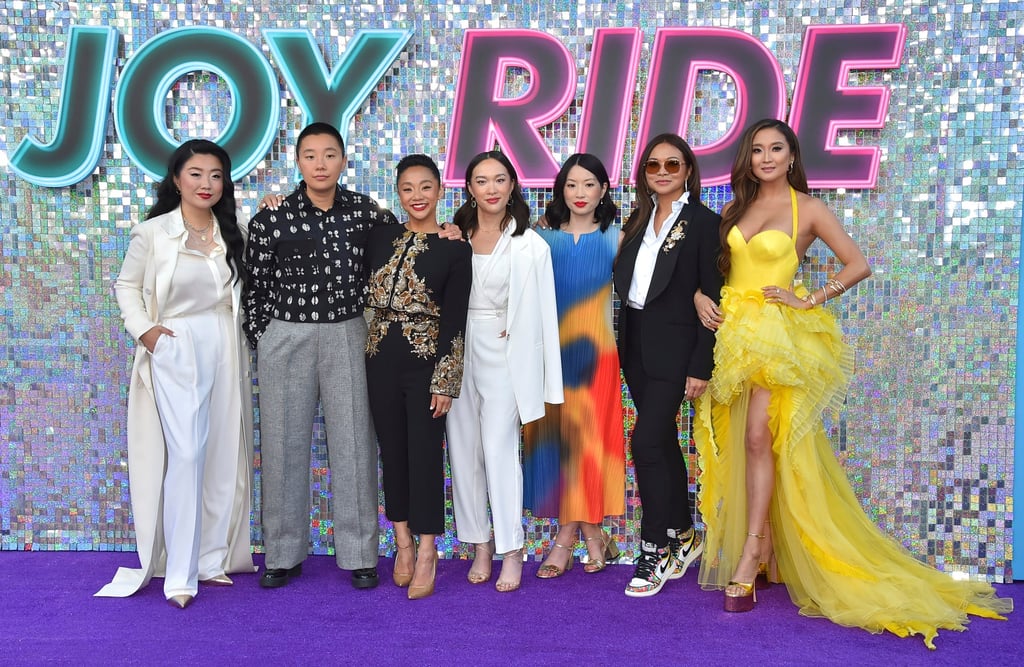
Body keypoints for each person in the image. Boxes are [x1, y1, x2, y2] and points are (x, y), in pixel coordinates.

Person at [693, 118, 1011, 646]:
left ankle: (753, 548)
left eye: (776, 149)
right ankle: (765, 539)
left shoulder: (808, 208)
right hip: (734, 338)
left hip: (777, 338)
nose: (766, 157)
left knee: (758, 436)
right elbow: (720, 273)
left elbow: (858, 263)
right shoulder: (735, 208)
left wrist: (806, 299)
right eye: (757, 150)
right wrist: (703, 297)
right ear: (748, 159)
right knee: (743, 441)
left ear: (792, 156)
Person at [97, 139, 255, 608]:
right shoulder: (153, 233)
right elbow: (126, 285)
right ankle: (180, 574)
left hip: (226, 342)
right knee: (186, 453)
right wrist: (145, 331)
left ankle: (211, 559)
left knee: (224, 448)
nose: (206, 184)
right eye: (196, 174)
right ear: (176, 179)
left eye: (216, 175)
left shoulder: (235, 229)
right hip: (175, 345)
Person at [244, 122, 396, 590]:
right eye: (310, 155)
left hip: (348, 333)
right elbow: (253, 283)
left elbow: (403, 253)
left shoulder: (367, 214)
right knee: (283, 442)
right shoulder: (272, 217)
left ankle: (359, 554)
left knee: (353, 443)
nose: (320, 163)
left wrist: (445, 232)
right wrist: (264, 335)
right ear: (298, 162)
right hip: (286, 336)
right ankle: (283, 553)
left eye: (329, 155)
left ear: (344, 160)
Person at [446, 150, 563, 593]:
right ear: (470, 189)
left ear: (512, 185)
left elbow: (545, 315)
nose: (491, 188)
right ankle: (479, 542)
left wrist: (546, 378)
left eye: (499, 179)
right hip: (458, 350)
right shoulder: (453, 236)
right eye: (481, 180)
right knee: (463, 450)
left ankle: (511, 549)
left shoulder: (530, 244)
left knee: (499, 449)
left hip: (504, 354)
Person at [612, 133, 723, 598]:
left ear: (688, 172)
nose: (662, 171)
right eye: (654, 165)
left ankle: (654, 546)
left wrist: (701, 364)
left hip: (677, 351)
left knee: (646, 441)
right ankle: (684, 533)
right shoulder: (638, 218)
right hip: (635, 344)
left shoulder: (704, 222)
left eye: (672, 165)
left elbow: (713, 295)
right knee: (660, 445)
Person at [364, 155, 472, 599]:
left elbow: (456, 319)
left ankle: (428, 550)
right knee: (392, 453)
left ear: (441, 191)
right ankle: (402, 543)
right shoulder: (380, 236)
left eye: (426, 187)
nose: (417, 197)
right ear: (398, 193)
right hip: (378, 359)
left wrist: (445, 380)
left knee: (425, 455)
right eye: (408, 188)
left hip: (426, 362)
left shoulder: (455, 248)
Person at [522, 153, 625, 578]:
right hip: (551, 356)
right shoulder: (540, 239)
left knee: (587, 443)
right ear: (560, 191)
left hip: (597, 356)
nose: (580, 193)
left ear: (603, 190)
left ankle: (565, 539)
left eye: (588, 184)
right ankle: (595, 537)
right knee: (561, 447)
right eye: (571, 185)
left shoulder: (618, 238)